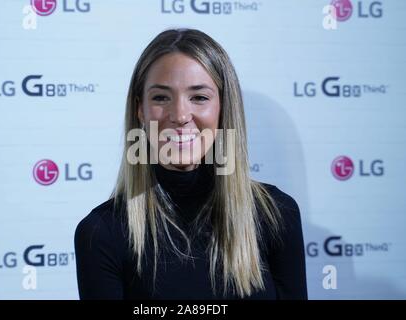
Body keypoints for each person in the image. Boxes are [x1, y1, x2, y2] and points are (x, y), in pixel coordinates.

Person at [74, 28, 308, 300]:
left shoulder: (276, 214)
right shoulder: (101, 234)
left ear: (224, 108)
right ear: (140, 110)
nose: (180, 115)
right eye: (161, 97)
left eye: (199, 97)